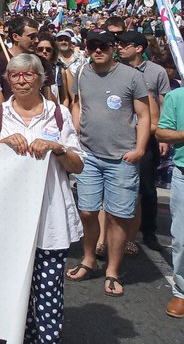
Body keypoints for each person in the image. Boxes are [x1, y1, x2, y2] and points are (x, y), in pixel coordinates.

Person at [0, 54, 84, 344]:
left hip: (50, 218)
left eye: (28, 74)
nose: (21, 81)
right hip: (10, 220)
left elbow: (78, 165)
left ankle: (47, 338)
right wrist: (1, 145)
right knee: (14, 291)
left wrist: (58, 148)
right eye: (15, 75)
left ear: (40, 79)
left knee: (48, 291)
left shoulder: (58, 114)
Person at [66, 30, 149, 297]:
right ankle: (89, 260)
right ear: (87, 48)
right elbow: (76, 103)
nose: (98, 50)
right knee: (87, 212)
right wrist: (76, 126)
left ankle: (112, 270)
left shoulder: (132, 76)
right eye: (93, 46)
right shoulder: (81, 73)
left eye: (103, 45)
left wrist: (139, 149)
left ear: (113, 48)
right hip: (89, 156)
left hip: (122, 158)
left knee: (117, 217)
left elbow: (144, 115)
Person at [116, 30, 171, 252]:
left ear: (138, 48)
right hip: (120, 136)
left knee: (147, 188)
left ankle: (148, 232)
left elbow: (164, 103)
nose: (119, 48)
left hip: (148, 136)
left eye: (125, 45)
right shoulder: (114, 68)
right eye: (118, 44)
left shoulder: (156, 72)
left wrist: (163, 134)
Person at [156, 86, 184, 317]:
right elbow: (162, 133)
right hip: (183, 175)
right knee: (181, 239)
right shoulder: (176, 97)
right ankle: (181, 291)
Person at [35, 32, 73, 107]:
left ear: (53, 52)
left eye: (48, 49)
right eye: (40, 49)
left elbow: (65, 98)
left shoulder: (60, 70)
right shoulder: (28, 69)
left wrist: (62, 111)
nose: (44, 52)